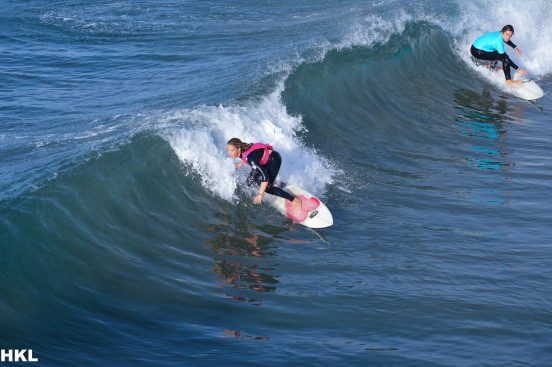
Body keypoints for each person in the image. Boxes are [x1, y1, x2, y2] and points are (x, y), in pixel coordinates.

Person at [226, 138, 313, 221]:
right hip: (265, 160)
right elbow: (251, 155)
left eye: (232, 150)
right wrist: (241, 163)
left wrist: (260, 194)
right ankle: (272, 181)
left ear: (239, 149)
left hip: (273, 160)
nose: (230, 153)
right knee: (249, 182)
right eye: (228, 150)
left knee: (267, 188)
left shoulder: (249, 158)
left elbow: (265, 176)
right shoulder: (244, 152)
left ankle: (295, 200)